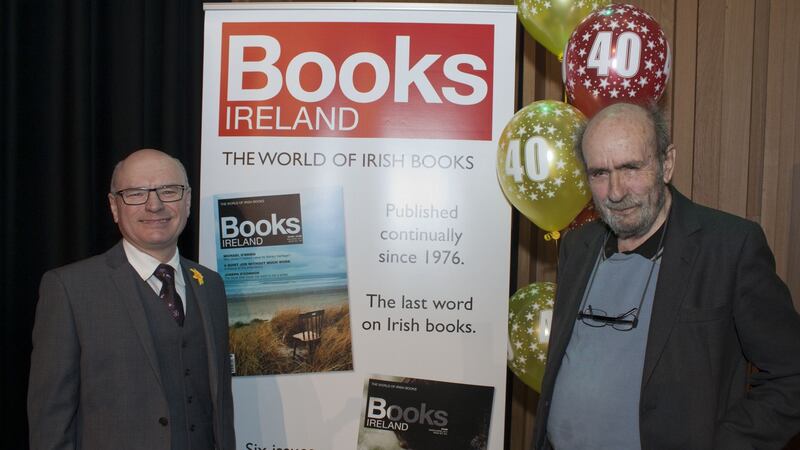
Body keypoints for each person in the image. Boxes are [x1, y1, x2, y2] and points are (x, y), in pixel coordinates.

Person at [532, 103, 800, 449]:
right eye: (599, 173)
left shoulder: (729, 247)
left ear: (667, 163)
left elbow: (792, 375)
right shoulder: (577, 246)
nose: (615, 192)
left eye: (631, 168)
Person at [28, 149, 235, 450]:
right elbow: (51, 419)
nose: (155, 205)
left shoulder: (211, 286)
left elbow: (221, 407)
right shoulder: (69, 289)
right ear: (114, 206)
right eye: (136, 193)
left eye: (169, 190)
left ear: (187, 201)